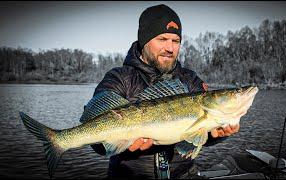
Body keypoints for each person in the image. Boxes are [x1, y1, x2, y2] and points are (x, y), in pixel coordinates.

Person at [84, 4, 240, 178]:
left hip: (183, 174)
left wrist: (217, 134)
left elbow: (198, 135)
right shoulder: (119, 78)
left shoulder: (190, 79)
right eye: (162, 39)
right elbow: (95, 139)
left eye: (176, 41)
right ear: (144, 41)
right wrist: (121, 143)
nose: (170, 48)